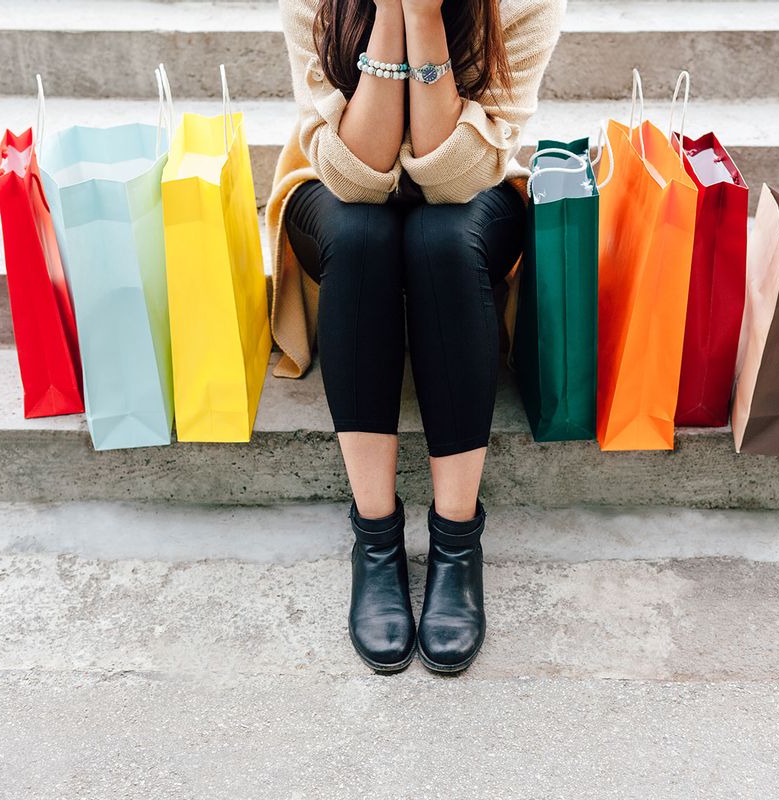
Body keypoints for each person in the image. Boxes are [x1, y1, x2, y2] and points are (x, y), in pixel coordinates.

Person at [264, 0, 566, 673]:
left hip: (472, 187)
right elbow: (356, 176)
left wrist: (425, 15)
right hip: (334, 187)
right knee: (366, 233)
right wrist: (389, 15)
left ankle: (457, 541)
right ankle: (376, 539)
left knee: (440, 238)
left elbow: (452, 178)